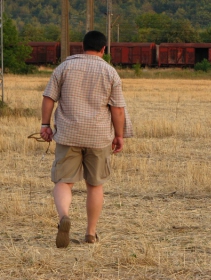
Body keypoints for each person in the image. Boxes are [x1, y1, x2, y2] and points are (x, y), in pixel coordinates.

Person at [40, 30, 133, 248]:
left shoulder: (64, 67)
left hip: (68, 134)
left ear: (82, 47)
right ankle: (91, 233)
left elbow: (48, 98)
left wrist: (45, 125)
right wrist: (119, 136)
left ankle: (64, 216)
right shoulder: (110, 72)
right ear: (103, 49)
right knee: (95, 185)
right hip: (98, 137)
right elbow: (118, 110)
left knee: (64, 181)